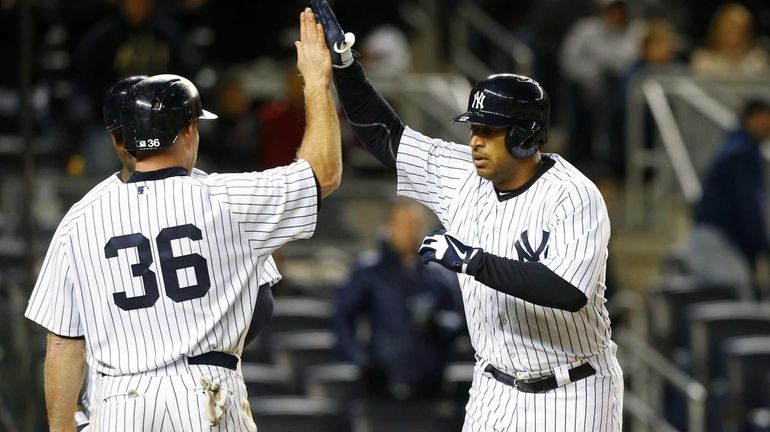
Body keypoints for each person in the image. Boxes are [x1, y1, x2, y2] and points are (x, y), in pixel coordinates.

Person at [311, 0, 623, 430]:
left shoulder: (573, 195)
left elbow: (568, 291)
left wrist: (472, 261)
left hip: (573, 387)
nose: (475, 141)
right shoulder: (460, 173)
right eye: (474, 128)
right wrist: (346, 66)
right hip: (493, 386)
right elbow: (385, 135)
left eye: (489, 131)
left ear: (525, 137)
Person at [25, 9, 341, 431]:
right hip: (203, 393)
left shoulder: (79, 219)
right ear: (189, 131)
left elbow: (63, 344)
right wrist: (318, 83)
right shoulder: (224, 198)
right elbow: (323, 172)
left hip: (118, 402)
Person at [332, 198, 464, 400]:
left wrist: (441, 323)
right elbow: (342, 319)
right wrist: (362, 361)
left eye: (416, 225)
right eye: (405, 225)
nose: (411, 232)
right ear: (390, 227)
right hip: (382, 380)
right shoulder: (370, 270)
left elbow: (462, 319)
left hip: (430, 382)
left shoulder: (439, 273)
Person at [682, 99, 770, 297]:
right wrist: (761, 245)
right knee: (732, 305)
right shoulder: (740, 153)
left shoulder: (739, 147)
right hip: (718, 240)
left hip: (719, 239)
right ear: (754, 118)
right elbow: (748, 205)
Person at [559, 0, 644, 170]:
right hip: (587, 86)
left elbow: (630, 61)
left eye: (620, 10)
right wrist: (592, 74)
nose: (616, 14)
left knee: (615, 92)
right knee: (597, 93)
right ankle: (591, 156)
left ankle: (611, 159)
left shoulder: (636, 31)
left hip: (623, 88)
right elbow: (568, 60)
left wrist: (605, 65)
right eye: (611, 10)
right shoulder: (585, 29)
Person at [690, 3, 769, 78]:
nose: (735, 31)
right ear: (719, 28)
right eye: (731, 26)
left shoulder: (758, 59)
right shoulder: (703, 59)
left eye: (741, 28)